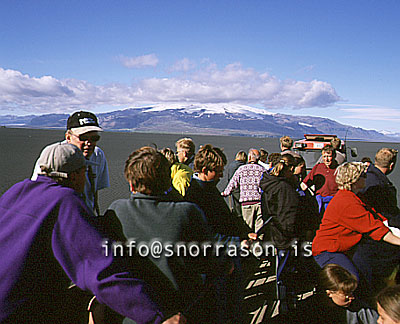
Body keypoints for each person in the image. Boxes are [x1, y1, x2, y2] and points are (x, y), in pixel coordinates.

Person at [0, 142, 182, 324]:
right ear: (75, 176)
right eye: (85, 172)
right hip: (15, 309)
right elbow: (99, 269)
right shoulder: (65, 202)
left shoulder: (17, 190)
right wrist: (156, 316)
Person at [105, 146, 221, 324]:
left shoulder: (117, 211)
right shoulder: (187, 212)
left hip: (134, 314)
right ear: (169, 180)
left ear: (131, 183)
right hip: (181, 312)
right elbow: (210, 263)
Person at [312, 162, 400, 284]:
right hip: (329, 251)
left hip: (343, 248)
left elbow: (375, 218)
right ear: (354, 180)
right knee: (351, 281)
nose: (366, 177)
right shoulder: (347, 202)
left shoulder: (354, 197)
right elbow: (374, 229)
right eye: (363, 175)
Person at [32, 111, 109, 215]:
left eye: (94, 138)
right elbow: (38, 191)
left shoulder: (97, 155)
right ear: (68, 137)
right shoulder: (53, 155)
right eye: (83, 138)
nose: (89, 143)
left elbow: (94, 191)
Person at [352, 148, 400, 296]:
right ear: (391, 165)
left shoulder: (369, 178)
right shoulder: (380, 185)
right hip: (377, 237)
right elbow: (388, 213)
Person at [259, 154, 299, 314]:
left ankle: (281, 299)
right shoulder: (285, 189)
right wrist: (291, 233)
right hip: (285, 235)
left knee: (278, 268)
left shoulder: (269, 184)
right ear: (289, 169)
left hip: (274, 231)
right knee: (285, 271)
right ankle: (285, 305)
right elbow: (289, 213)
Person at [295, 264, 378, 324]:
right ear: (329, 293)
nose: (352, 297)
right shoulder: (306, 310)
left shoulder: (358, 308)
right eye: (346, 294)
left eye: (351, 292)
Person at [222, 149, 266, 233]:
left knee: (248, 229)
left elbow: (233, 184)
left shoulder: (242, 169)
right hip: (259, 202)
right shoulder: (262, 170)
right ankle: (259, 244)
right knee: (259, 229)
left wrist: (225, 193)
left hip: (246, 203)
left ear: (249, 157)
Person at [301, 144, 339, 217]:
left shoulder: (339, 169)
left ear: (334, 156)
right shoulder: (318, 167)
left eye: (329, 156)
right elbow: (305, 183)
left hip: (333, 200)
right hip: (319, 200)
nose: (326, 159)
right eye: (324, 156)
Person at [225, 150, 248, 218]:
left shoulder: (231, 165)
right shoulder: (243, 166)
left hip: (233, 187)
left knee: (235, 204)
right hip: (240, 187)